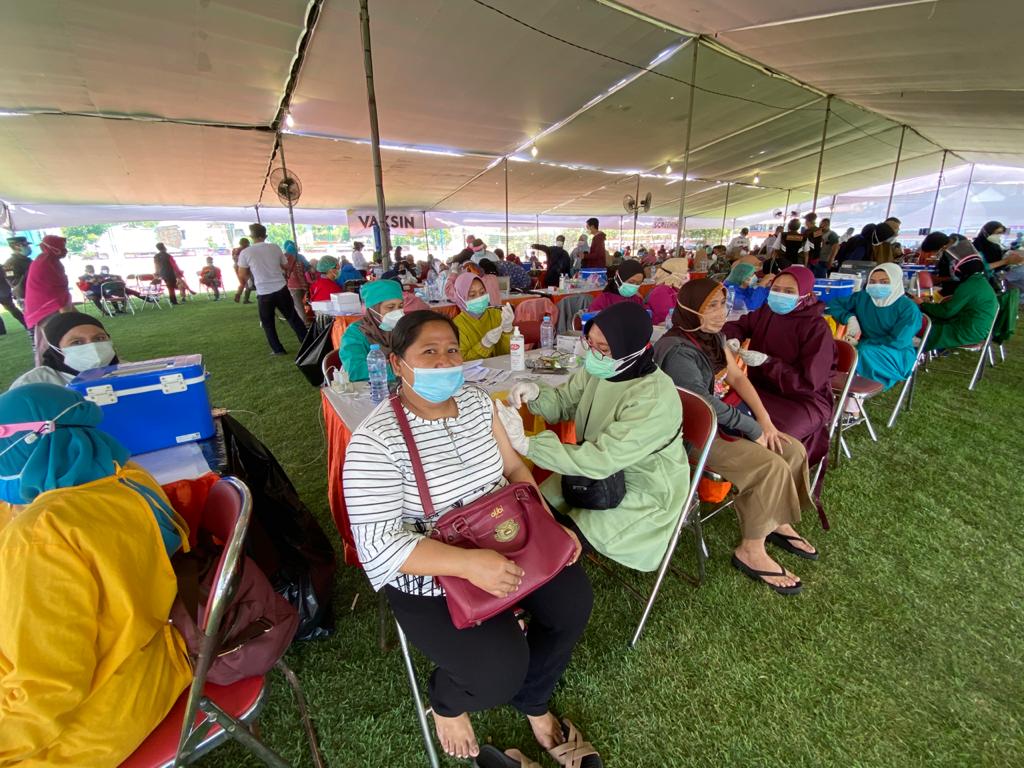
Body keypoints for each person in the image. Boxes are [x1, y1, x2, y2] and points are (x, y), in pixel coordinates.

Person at [342, 312, 598, 764]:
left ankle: (534, 699)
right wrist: (468, 565)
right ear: (398, 364)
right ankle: (447, 701)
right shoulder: (374, 443)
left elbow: (515, 471)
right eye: (429, 352)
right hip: (432, 576)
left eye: (452, 350)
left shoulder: (479, 402)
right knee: (496, 673)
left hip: (508, 539)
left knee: (572, 603)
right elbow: (379, 545)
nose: (445, 362)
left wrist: (549, 524)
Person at [0, 384, 192, 767]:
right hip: (153, 659)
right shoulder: (129, 477)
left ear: (32, 438)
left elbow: (45, 692)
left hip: (96, 714)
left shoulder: (42, 534)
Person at [495, 302, 687, 572]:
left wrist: (530, 445)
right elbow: (564, 401)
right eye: (590, 343)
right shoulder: (605, 367)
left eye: (604, 349)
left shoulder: (653, 398)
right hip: (592, 471)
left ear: (632, 349)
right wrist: (537, 394)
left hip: (643, 485)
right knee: (532, 511)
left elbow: (602, 459)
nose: (593, 355)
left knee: (558, 543)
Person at [654, 279, 816, 595]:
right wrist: (753, 429)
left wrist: (766, 423)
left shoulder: (713, 338)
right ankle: (751, 551)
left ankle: (775, 519)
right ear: (689, 308)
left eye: (722, 304)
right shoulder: (677, 350)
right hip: (692, 433)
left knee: (791, 449)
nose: (720, 312)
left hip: (720, 421)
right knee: (769, 465)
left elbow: (738, 377)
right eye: (711, 305)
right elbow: (705, 405)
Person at [722, 265, 836, 471]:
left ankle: (771, 478)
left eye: (789, 291)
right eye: (776, 288)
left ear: (806, 294)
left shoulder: (817, 328)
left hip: (803, 400)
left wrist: (769, 363)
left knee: (777, 440)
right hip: (760, 389)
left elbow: (809, 382)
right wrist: (733, 338)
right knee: (729, 417)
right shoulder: (768, 311)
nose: (779, 295)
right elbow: (739, 325)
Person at [826, 263, 923, 390]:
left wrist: (860, 344)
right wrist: (849, 318)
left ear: (895, 282)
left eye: (884, 282)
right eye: (872, 281)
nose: (877, 286)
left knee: (859, 353)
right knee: (832, 349)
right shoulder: (863, 297)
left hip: (895, 353)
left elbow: (899, 341)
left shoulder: (908, 308)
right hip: (862, 346)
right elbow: (833, 304)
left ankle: (852, 400)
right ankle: (836, 389)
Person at [236, 223, 309, 356]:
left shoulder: (246, 252)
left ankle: (278, 349)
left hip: (264, 291)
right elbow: (285, 266)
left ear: (251, 236)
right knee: (293, 317)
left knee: (268, 323)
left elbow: (242, 274)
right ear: (266, 235)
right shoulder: (275, 247)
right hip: (281, 288)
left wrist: (249, 280)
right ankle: (307, 343)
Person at [9, 311, 118, 390]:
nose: (92, 346)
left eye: (99, 338)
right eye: (77, 342)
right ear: (56, 348)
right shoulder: (32, 384)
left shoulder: (129, 371)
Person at [917, 247, 999, 352]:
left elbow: (946, 312)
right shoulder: (979, 282)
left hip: (966, 332)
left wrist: (923, 304)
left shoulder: (969, 285)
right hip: (977, 330)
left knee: (920, 325)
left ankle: (914, 353)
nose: (952, 268)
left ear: (964, 267)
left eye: (954, 265)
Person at [339, 279, 404, 382]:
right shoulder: (355, 334)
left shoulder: (402, 327)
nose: (397, 312)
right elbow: (355, 370)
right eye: (390, 307)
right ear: (374, 309)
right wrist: (396, 368)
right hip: (373, 390)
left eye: (401, 306)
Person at [24, 235, 73, 366]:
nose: (64, 250)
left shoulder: (51, 261)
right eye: (61, 247)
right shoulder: (44, 263)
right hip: (47, 308)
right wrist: (68, 314)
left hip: (53, 306)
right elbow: (54, 290)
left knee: (54, 339)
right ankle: (50, 368)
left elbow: (60, 289)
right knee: (53, 339)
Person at [451, 273, 514, 361]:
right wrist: (484, 344)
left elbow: (509, 354)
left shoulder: (497, 315)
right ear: (460, 298)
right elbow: (463, 362)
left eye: (482, 292)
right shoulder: (456, 326)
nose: (479, 298)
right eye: (472, 295)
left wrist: (508, 331)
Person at [973, 221, 1024, 292]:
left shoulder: (994, 244)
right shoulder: (976, 247)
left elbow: (1000, 254)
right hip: (984, 280)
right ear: (986, 233)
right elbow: (981, 267)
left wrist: (1012, 251)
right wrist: (1005, 261)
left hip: (996, 277)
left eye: (1001, 233)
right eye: (997, 233)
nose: (999, 236)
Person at [645, 257, 688, 324]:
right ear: (674, 273)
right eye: (685, 271)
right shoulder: (661, 292)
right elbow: (668, 317)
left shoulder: (673, 289)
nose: (687, 274)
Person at [281, 241, 308, 321]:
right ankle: (303, 320)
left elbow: (282, 271)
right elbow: (308, 267)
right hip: (303, 284)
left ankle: (304, 323)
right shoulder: (301, 256)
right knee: (301, 304)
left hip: (292, 286)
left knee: (298, 306)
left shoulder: (284, 258)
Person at [0, 256, 26, 336]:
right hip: (4, 291)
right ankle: (1, 331)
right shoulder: (3, 267)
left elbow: (8, 276)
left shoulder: (3, 267)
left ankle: (26, 323)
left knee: (12, 309)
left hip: (3, 291)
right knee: (12, 309)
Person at [4, 237, 32, 309]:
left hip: (36, 292)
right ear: (16, 247)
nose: (28, 247)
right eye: (25, 245)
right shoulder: (10, 264)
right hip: (26, 296)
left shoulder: (28, 260)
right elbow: (14, 282)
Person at [232, 237, 254, 303]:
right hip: (244, 268)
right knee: (249, 282)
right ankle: (246, 299)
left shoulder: (235, 249)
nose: (249, 244)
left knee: (242, 283)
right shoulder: (245, 250)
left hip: (236, 267)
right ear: (246, 243)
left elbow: (234, 258)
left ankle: (238, 294)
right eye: (248, 243)